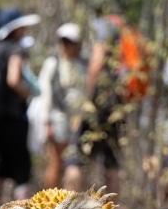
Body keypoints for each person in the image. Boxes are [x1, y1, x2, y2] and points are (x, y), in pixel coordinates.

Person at [0, 7, 41, 209]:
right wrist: (28, 94)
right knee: (22, 167)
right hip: (14, 117)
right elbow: (13, 79)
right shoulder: (16, 49)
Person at [65, 13, 125, 197]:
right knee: (112, 162)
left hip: (98, 104)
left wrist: (88, 101)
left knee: (73, 158)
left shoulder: (102, 29)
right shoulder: (121, 42)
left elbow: (96, 64)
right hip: (117, 103)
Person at [35, 23, 88, 189]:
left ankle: (68, 205)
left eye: (69, 42)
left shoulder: (84, 64)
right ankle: (51, 203)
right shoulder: (53, 64)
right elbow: (45, 95)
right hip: (58, 119)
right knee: (57, 162)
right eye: (63, 42)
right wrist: (46, 123)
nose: (66, 46)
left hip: (80, 120)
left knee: (74, 162)